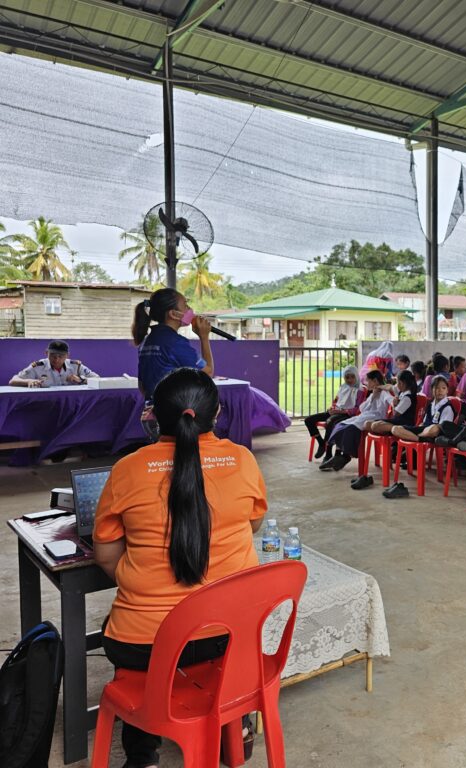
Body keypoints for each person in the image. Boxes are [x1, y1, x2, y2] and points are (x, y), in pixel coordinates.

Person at [93, 368, 266, 768]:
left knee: (126, 639)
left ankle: (143, 755)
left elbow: (105, 556)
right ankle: (235, 733)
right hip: (228, 638)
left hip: (143, 647)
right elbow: (252, 524)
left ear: (153, 414)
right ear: (216, 414)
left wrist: (140, 582)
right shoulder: (242, 460)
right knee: (222, 653)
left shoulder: (128, 469)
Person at [133, 288, 215, 441]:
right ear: (173, 314)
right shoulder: (174, 343)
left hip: (152, 414)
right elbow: (207, 373)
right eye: (185, 305)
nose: (190, 310)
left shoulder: (147, 341)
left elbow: (143, 387)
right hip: (175, 418)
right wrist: (204, 337)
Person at [319, 369, 390, 475]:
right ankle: (339, 456)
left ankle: (346, 456)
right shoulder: (372, 394)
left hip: (375, 419)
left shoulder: (384, 393)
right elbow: (362, 408)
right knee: (340, 425)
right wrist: (372, 397)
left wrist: (393, 401)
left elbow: (391, 400)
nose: (367, 383)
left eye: (368, 381)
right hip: (364, 416)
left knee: (350, 428)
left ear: (375, 381)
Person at [305, 365, 363, 460]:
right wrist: (331, 408)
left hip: (346, 414)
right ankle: (321, 443)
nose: (350, 380)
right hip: (335, 412)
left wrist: (340, 411)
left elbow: (357, 409)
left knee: (330, 422)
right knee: (308, 420)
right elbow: (336, 401)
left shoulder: (360, 390)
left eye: (352, 377)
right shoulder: (343, 387)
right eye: (347, 377)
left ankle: (328, 453)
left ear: (356, 376)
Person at [9, 339, 99, 387]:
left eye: (61, 356)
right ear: (46, 353)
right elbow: (13, 381)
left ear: (67, 355)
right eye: (53, 355)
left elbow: (97, 379)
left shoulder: (76, 366)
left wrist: (81, 379)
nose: (56, 359)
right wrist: (28, 381)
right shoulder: (38, 366)